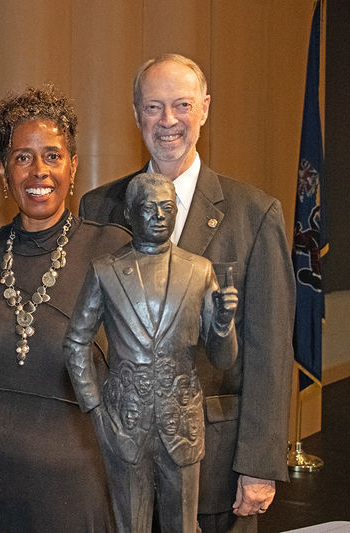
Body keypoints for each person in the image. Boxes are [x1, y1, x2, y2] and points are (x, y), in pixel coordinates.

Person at [80, 53, 295, 533]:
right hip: (122, 456)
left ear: (204, 109)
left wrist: (259, 464)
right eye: (154, 107)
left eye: (181, 104)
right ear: (136, 114)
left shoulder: (254, 215)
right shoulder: (99, 208)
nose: (168, 121)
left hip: (215, 464)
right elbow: (90, 337)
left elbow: (270, 350)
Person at [0, 84, 131, 532]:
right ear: (3, 171)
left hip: (69, 493)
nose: (39, 171)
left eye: (52, 156)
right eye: (22, 157)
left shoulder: (112, 252)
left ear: (74, 167)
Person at [65, 172, 239, 532]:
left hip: (182, 423)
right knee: (130, 526)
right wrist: (95, 409)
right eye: (149, 208)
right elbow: (76, 341)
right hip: (124, 422)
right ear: (129, 214)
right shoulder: (106, 270)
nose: (160, 215)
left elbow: (223, 360)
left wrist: (223, 325)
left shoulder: (200, 271)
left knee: (183, 526)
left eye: (168, 208)